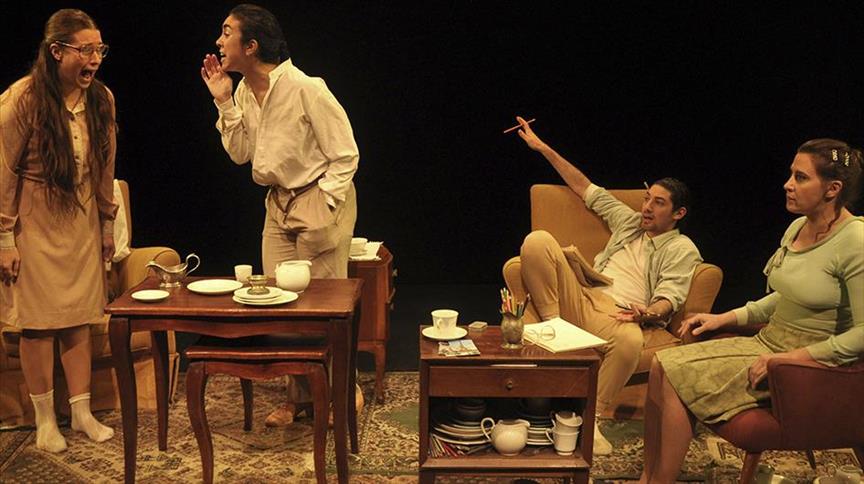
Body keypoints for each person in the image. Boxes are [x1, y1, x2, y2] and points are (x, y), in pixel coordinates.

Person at [640, 139, 864, 483]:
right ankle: (649, 478)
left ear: (832, 189)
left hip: (810, 367)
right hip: (770, 343)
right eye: (791, 174)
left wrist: (791, 359)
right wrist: (725, 317)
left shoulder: (855, 241)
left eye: (801, 177)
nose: (788, 184)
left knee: (672, 373)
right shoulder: (798, 227)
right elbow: (785, 298)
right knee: (660, 363)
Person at [200, 4, 360, 427]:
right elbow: (240, 154)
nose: (219, 41)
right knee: (282, 303)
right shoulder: (242, 93)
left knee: (324, 306)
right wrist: (223, 102)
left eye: (227, 32)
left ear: (251, 46)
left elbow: (346, 154)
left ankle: (343, 392)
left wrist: (324, 202)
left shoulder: (307, 88)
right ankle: (299, 397)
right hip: (278, 203)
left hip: (316, 198)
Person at [514, 116, 703, 455]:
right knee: (537, 240)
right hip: (583, 296)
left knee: (630, 342)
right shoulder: (629, 221)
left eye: (658, 203)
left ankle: (591, 418)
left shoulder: (681, 248)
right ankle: (555, 326)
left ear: (679, 213)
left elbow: (670, 297)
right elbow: (584, 187)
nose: (647, 207)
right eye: (647, 198)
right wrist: (542, 148)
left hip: (619, 315)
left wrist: (648, 313)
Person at [0, 9, 117, 452]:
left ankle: (81, 413)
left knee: (78, 318)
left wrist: (107, 224)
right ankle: (46, 421)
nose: (95, 59)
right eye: (85, 50)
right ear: (56, 51)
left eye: (99, 49)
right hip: (35, 220)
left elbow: (105, 167)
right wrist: (4, 239)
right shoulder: (22, 99)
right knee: (39, 325)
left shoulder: (101, 99)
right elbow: (4, 171)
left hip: (81, 219)